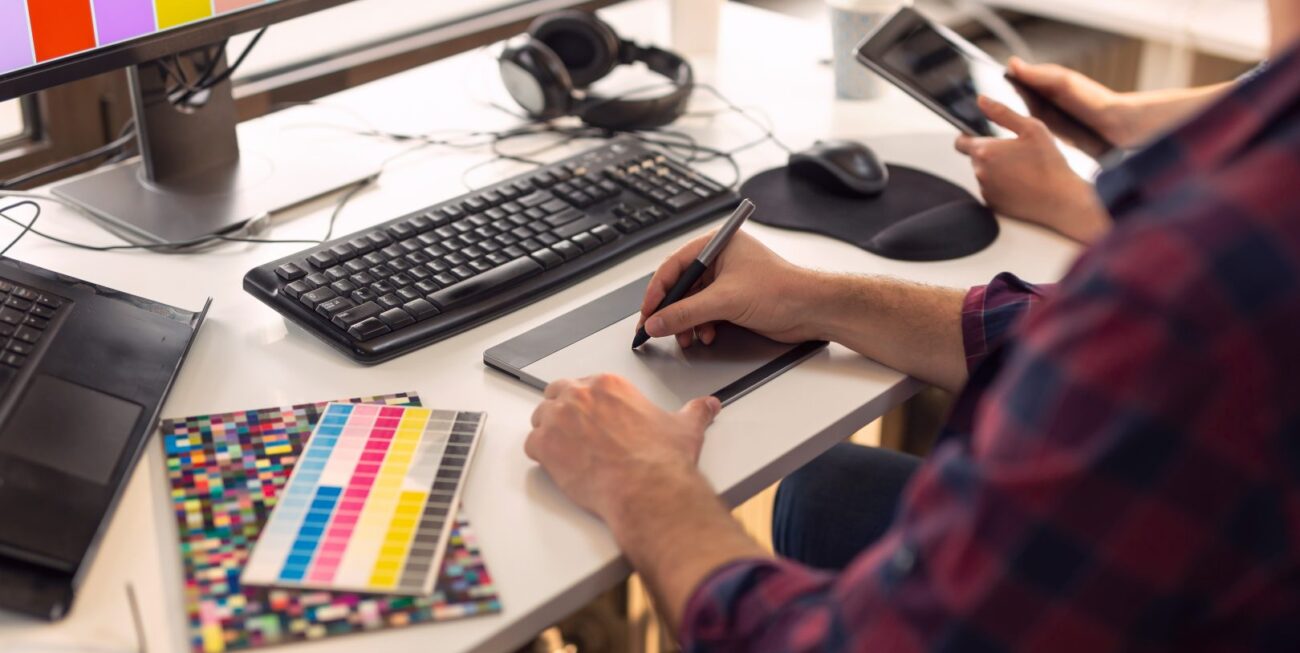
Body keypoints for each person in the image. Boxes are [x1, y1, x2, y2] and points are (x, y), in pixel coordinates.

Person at [524, 1, 1300, 649]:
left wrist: (646, 485)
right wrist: (813, 297)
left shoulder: (1201, 269)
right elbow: (1074, 332)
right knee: (825, 489)